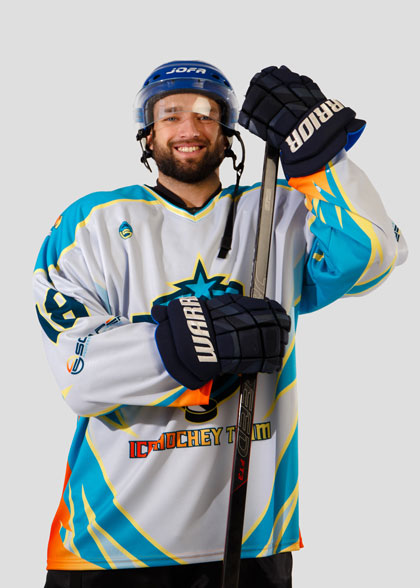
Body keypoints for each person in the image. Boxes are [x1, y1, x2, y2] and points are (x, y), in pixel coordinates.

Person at [34, 60, 407, 588]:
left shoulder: (280, 212)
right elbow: (79, 371)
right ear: (148, 133)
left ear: (228, 131)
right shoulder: (89, 223)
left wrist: (321, 160)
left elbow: (371, 255)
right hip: (111, 543)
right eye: (171, 114)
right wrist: (191, 341)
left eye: (206, 114)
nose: (189, 128)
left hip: (253, 536)